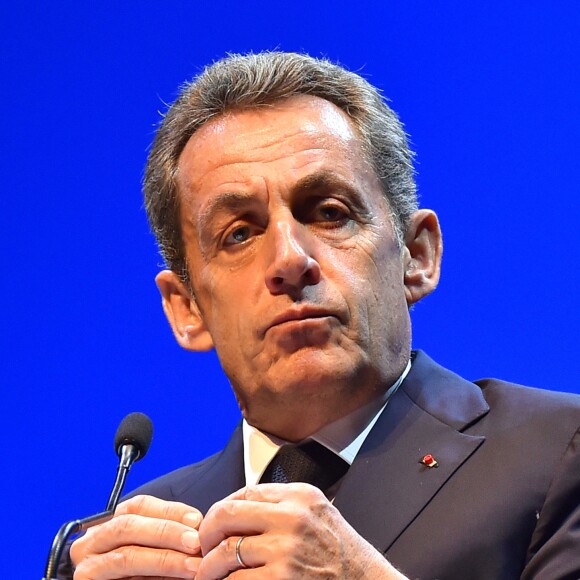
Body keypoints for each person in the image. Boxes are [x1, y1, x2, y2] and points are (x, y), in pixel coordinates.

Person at [63, 52, 580, 579]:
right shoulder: (134, 543)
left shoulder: (560, 452)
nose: (289, 258)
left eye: (330, 212)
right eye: (239, 234)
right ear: (187, 308)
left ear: (416, 257)